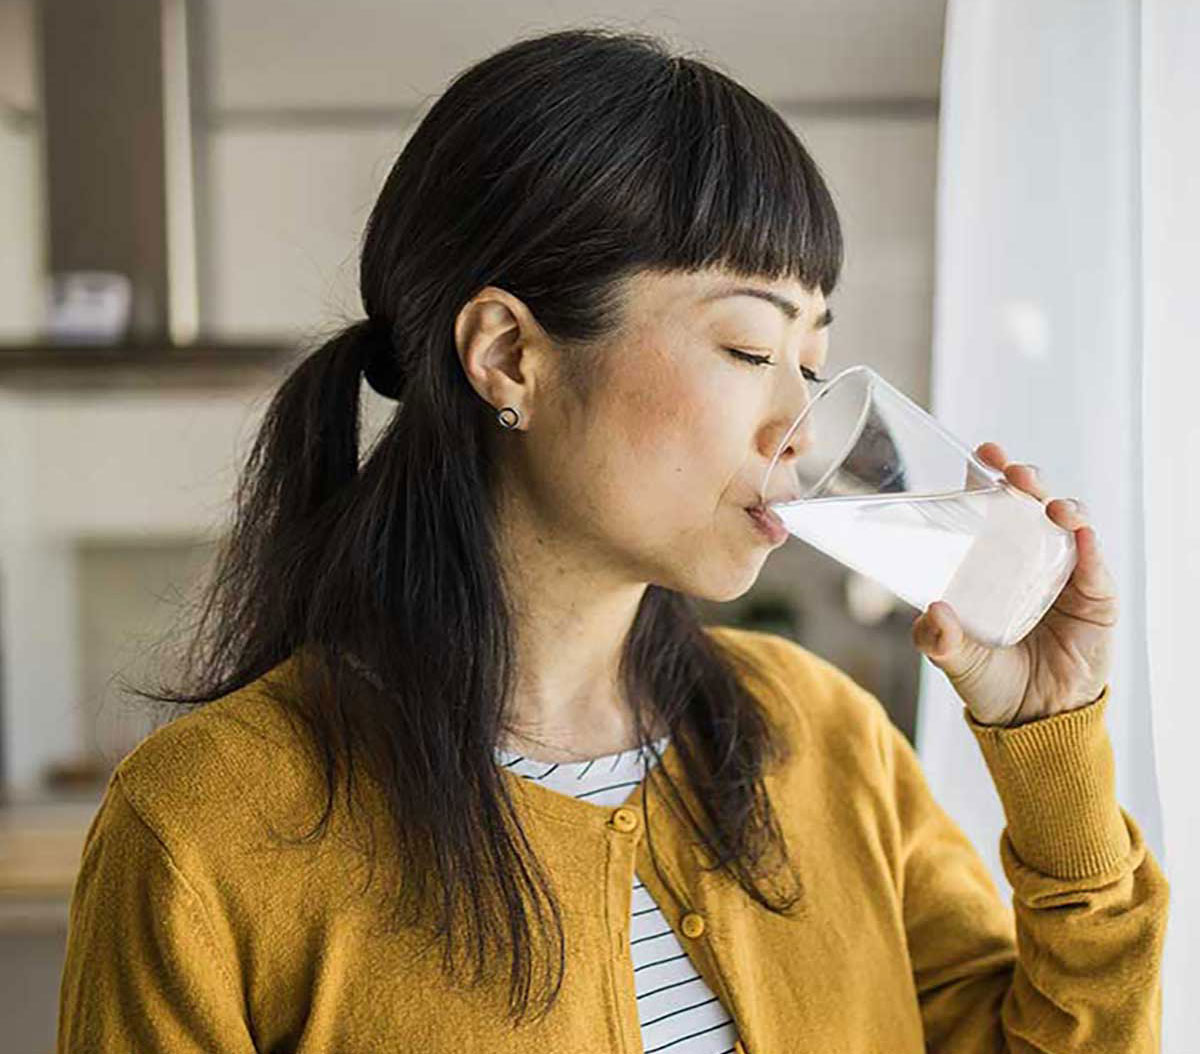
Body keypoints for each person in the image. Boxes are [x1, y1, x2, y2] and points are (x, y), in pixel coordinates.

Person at [57, 26, 1167, 1054]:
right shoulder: (204, 826)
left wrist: (1048, 736)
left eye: (814, 362)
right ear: (508, 355)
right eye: (746, 348)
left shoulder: (824, 741)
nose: (799, 427)